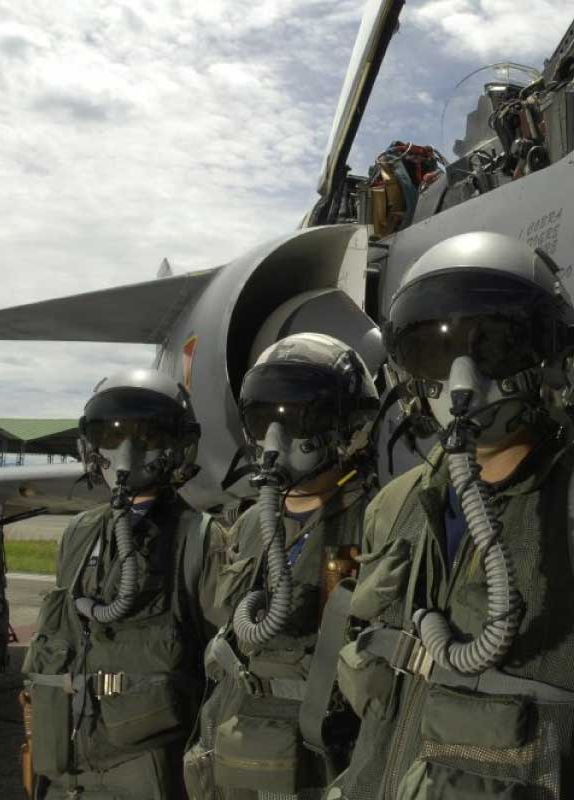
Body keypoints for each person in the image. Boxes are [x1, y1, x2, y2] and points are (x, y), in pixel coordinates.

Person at [326, 231, 574, 800]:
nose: (463, 378)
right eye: (436, 351)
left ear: (551, 359)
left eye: (495, 349)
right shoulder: (396, 507)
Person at [183, 333, 380, 800]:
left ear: (347, 425)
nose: (276, 437)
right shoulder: (252, 523)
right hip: (233, 757)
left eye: (298, 418)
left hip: (316, 765)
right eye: (264, 418)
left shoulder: (375, 522)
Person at [23, 368, 227, 799]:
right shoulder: (78, 533)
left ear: (178, 445)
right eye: (111, 434)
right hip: (66, 770)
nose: (127, 450)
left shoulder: (199, 539)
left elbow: (223, 677)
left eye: (148, 434)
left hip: (149, 774)